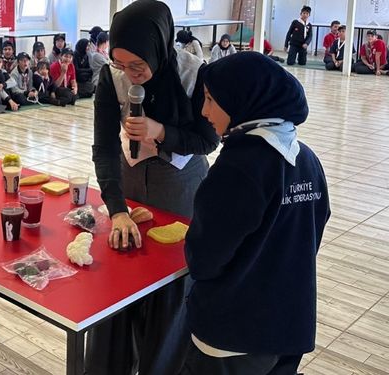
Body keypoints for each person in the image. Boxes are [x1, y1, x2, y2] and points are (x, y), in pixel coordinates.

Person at [87, 1, 219, 374]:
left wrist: (161, 132)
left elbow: (208, 141)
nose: (129, 74)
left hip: (180, 187)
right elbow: (104, 147)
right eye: (121, 64)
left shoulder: (194, 73)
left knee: (170, 294)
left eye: (137, 65)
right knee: (120, 285)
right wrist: (116, 210)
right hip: (129, 183)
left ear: (158, 47)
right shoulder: (111, 78)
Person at [180, 51, 330, 374]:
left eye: (209, 99)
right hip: (290, 328)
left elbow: (204, 260)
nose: (204, 112)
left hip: (232, 337)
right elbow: (312, 233)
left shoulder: (237, 169)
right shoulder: (307, 159)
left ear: (241, 100)